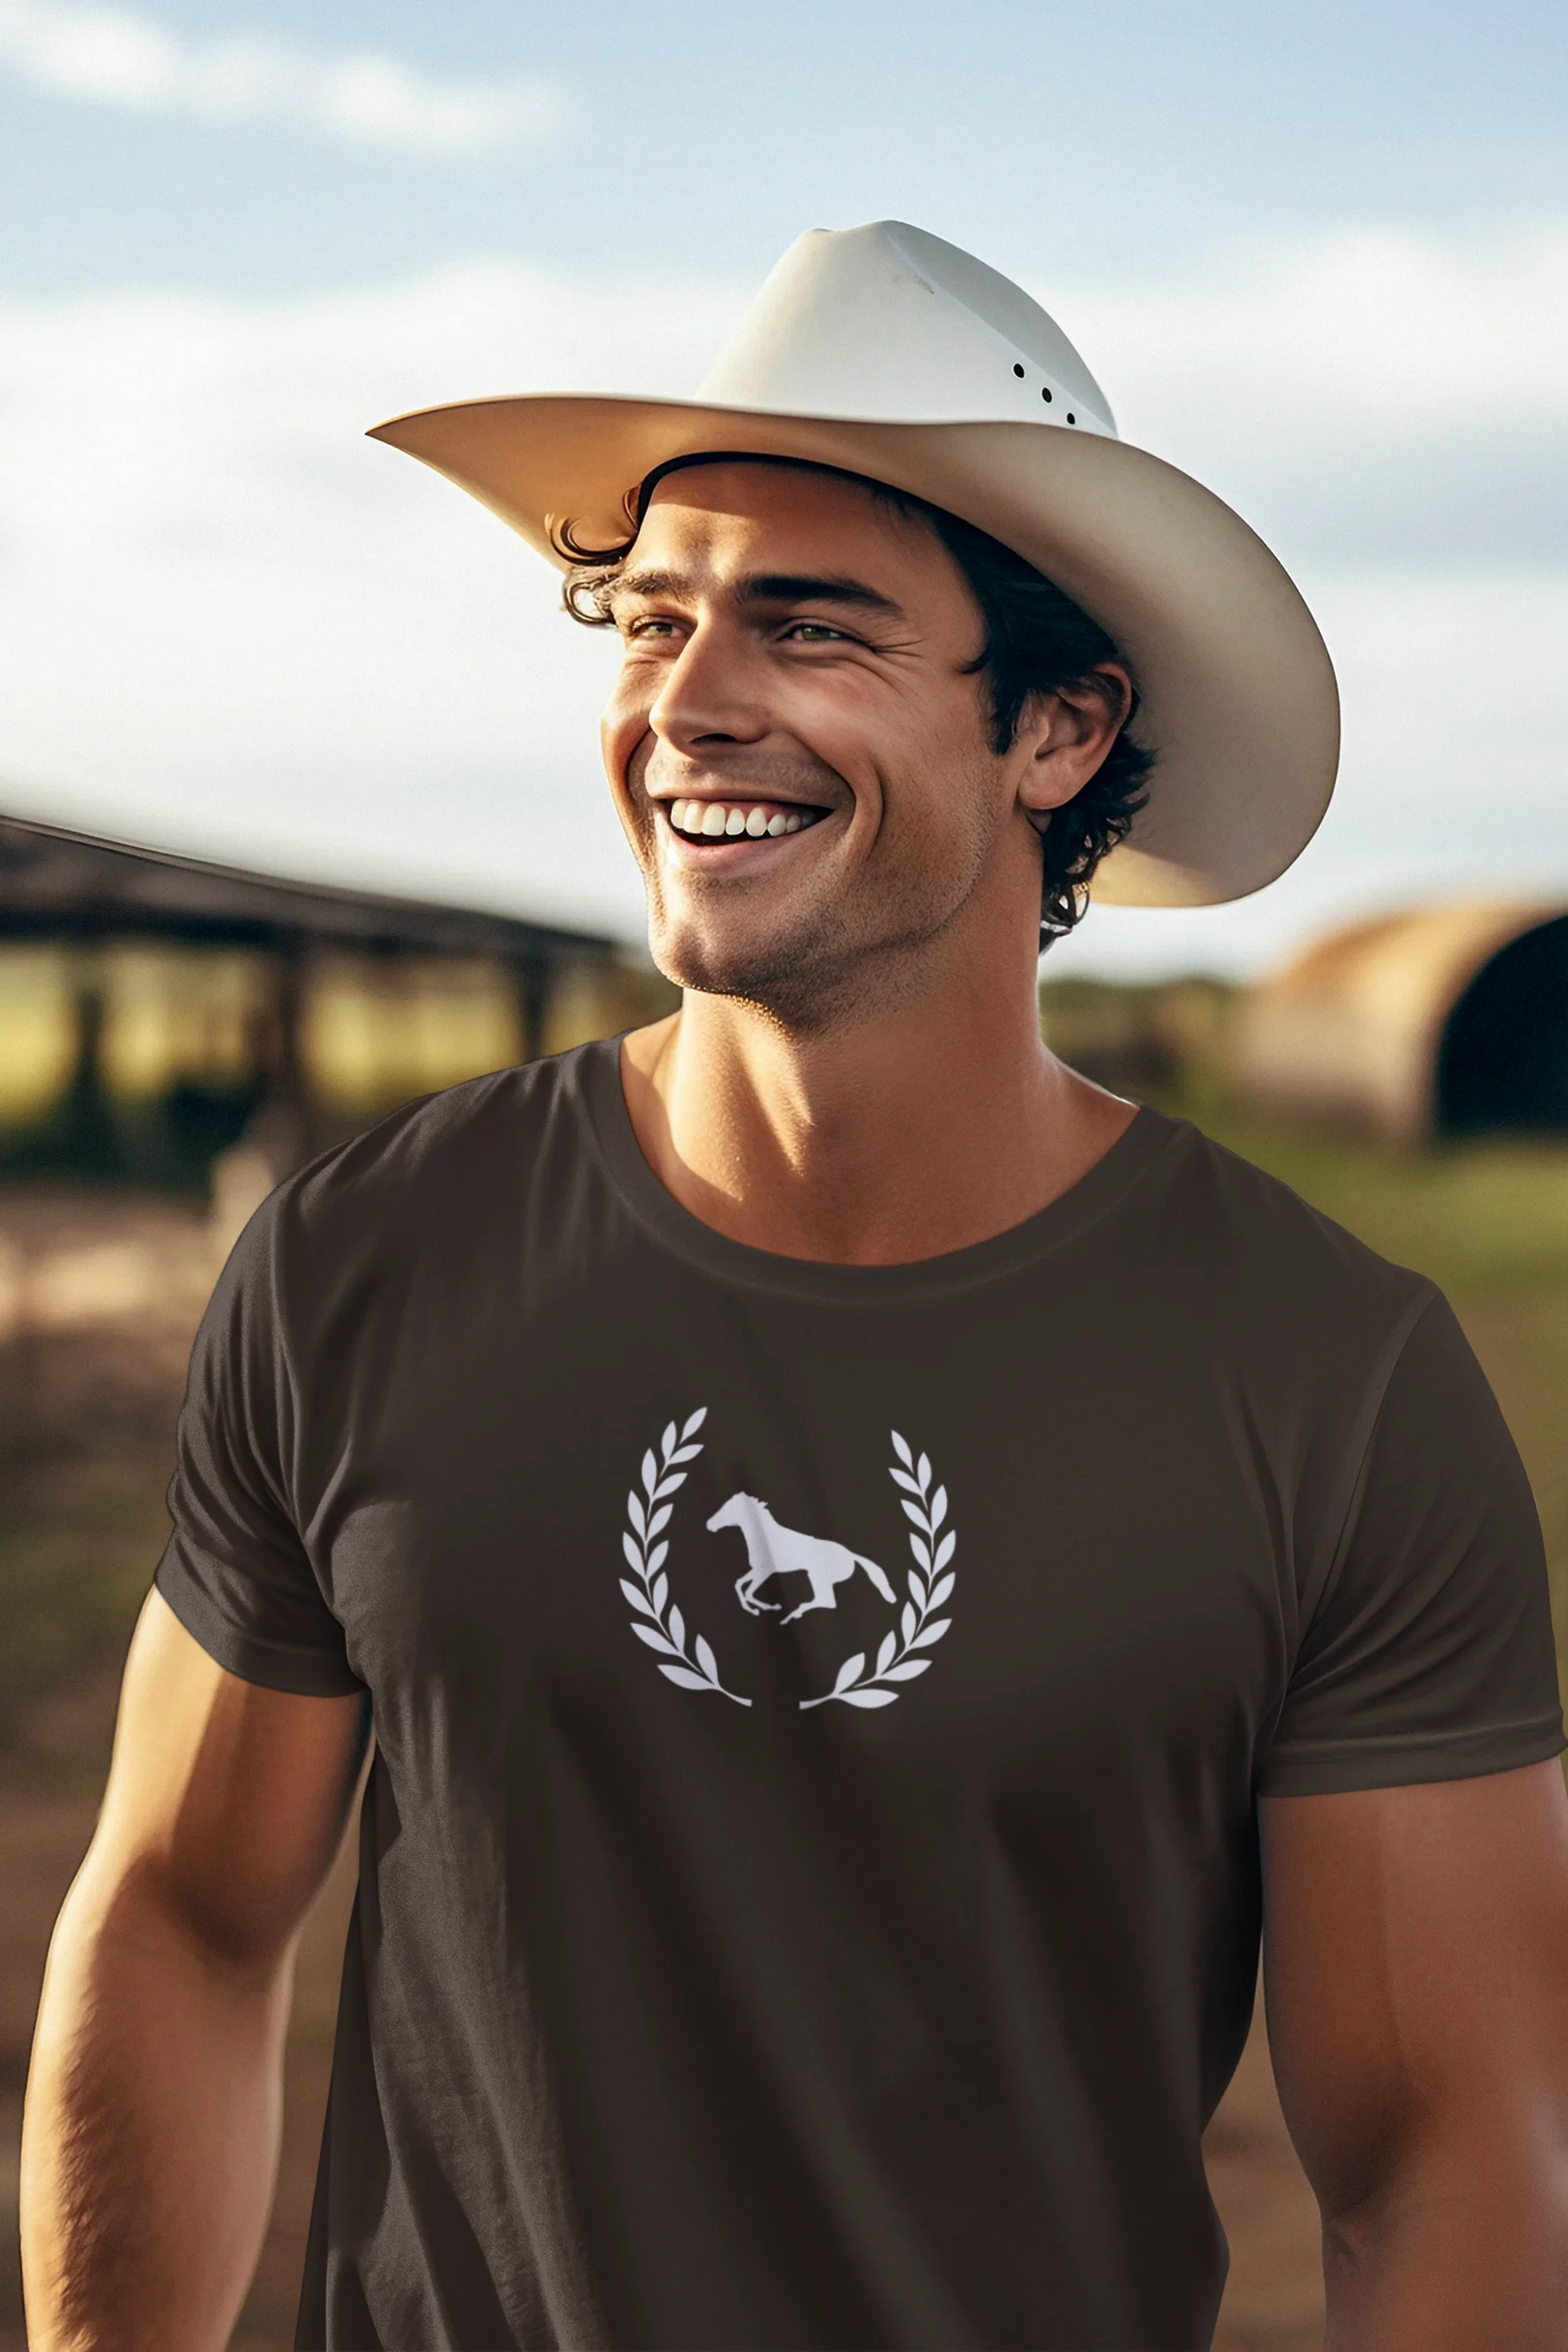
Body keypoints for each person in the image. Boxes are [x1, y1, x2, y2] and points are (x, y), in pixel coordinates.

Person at [21, 221, 1568, 2352]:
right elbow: (184, 1915)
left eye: (810, 625)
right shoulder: (364, 1262)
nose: (689, 702)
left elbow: (1456, 2147)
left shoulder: (1330, 1383)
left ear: (1056, 725)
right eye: (650, 618)